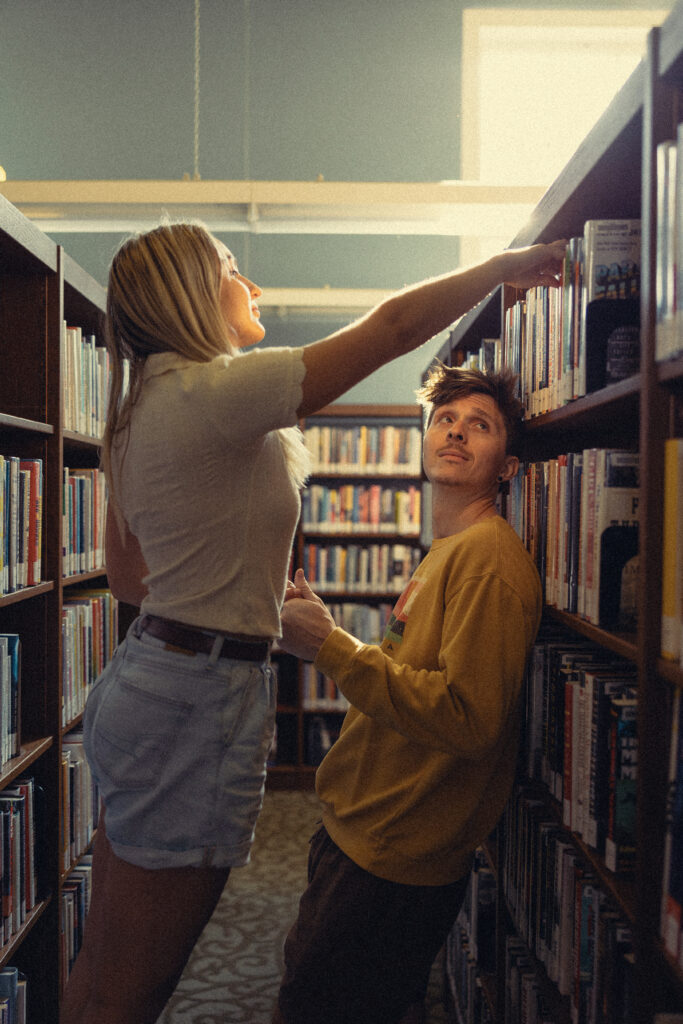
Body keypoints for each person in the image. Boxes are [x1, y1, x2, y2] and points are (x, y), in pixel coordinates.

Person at [60, 220, 565, 1024]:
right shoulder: (215, 389)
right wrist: (504, 266)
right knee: (138, 986)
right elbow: (392, 329)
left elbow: (129, 575)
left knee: (106, 961)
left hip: (148, 677)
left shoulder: (137, 404)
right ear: (192, 291)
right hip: (196, 699)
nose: (252, 286)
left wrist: (225, 571)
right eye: (232, 268)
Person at [272, 363, 545, 1024]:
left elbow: (467, 717)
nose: (455, 433)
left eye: (479, 426)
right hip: (367, 834)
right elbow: (404, 672)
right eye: (445, 420)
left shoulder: (487, 558)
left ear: (506, 466)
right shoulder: (448, 549)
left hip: (393, 856)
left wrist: (328, 646)